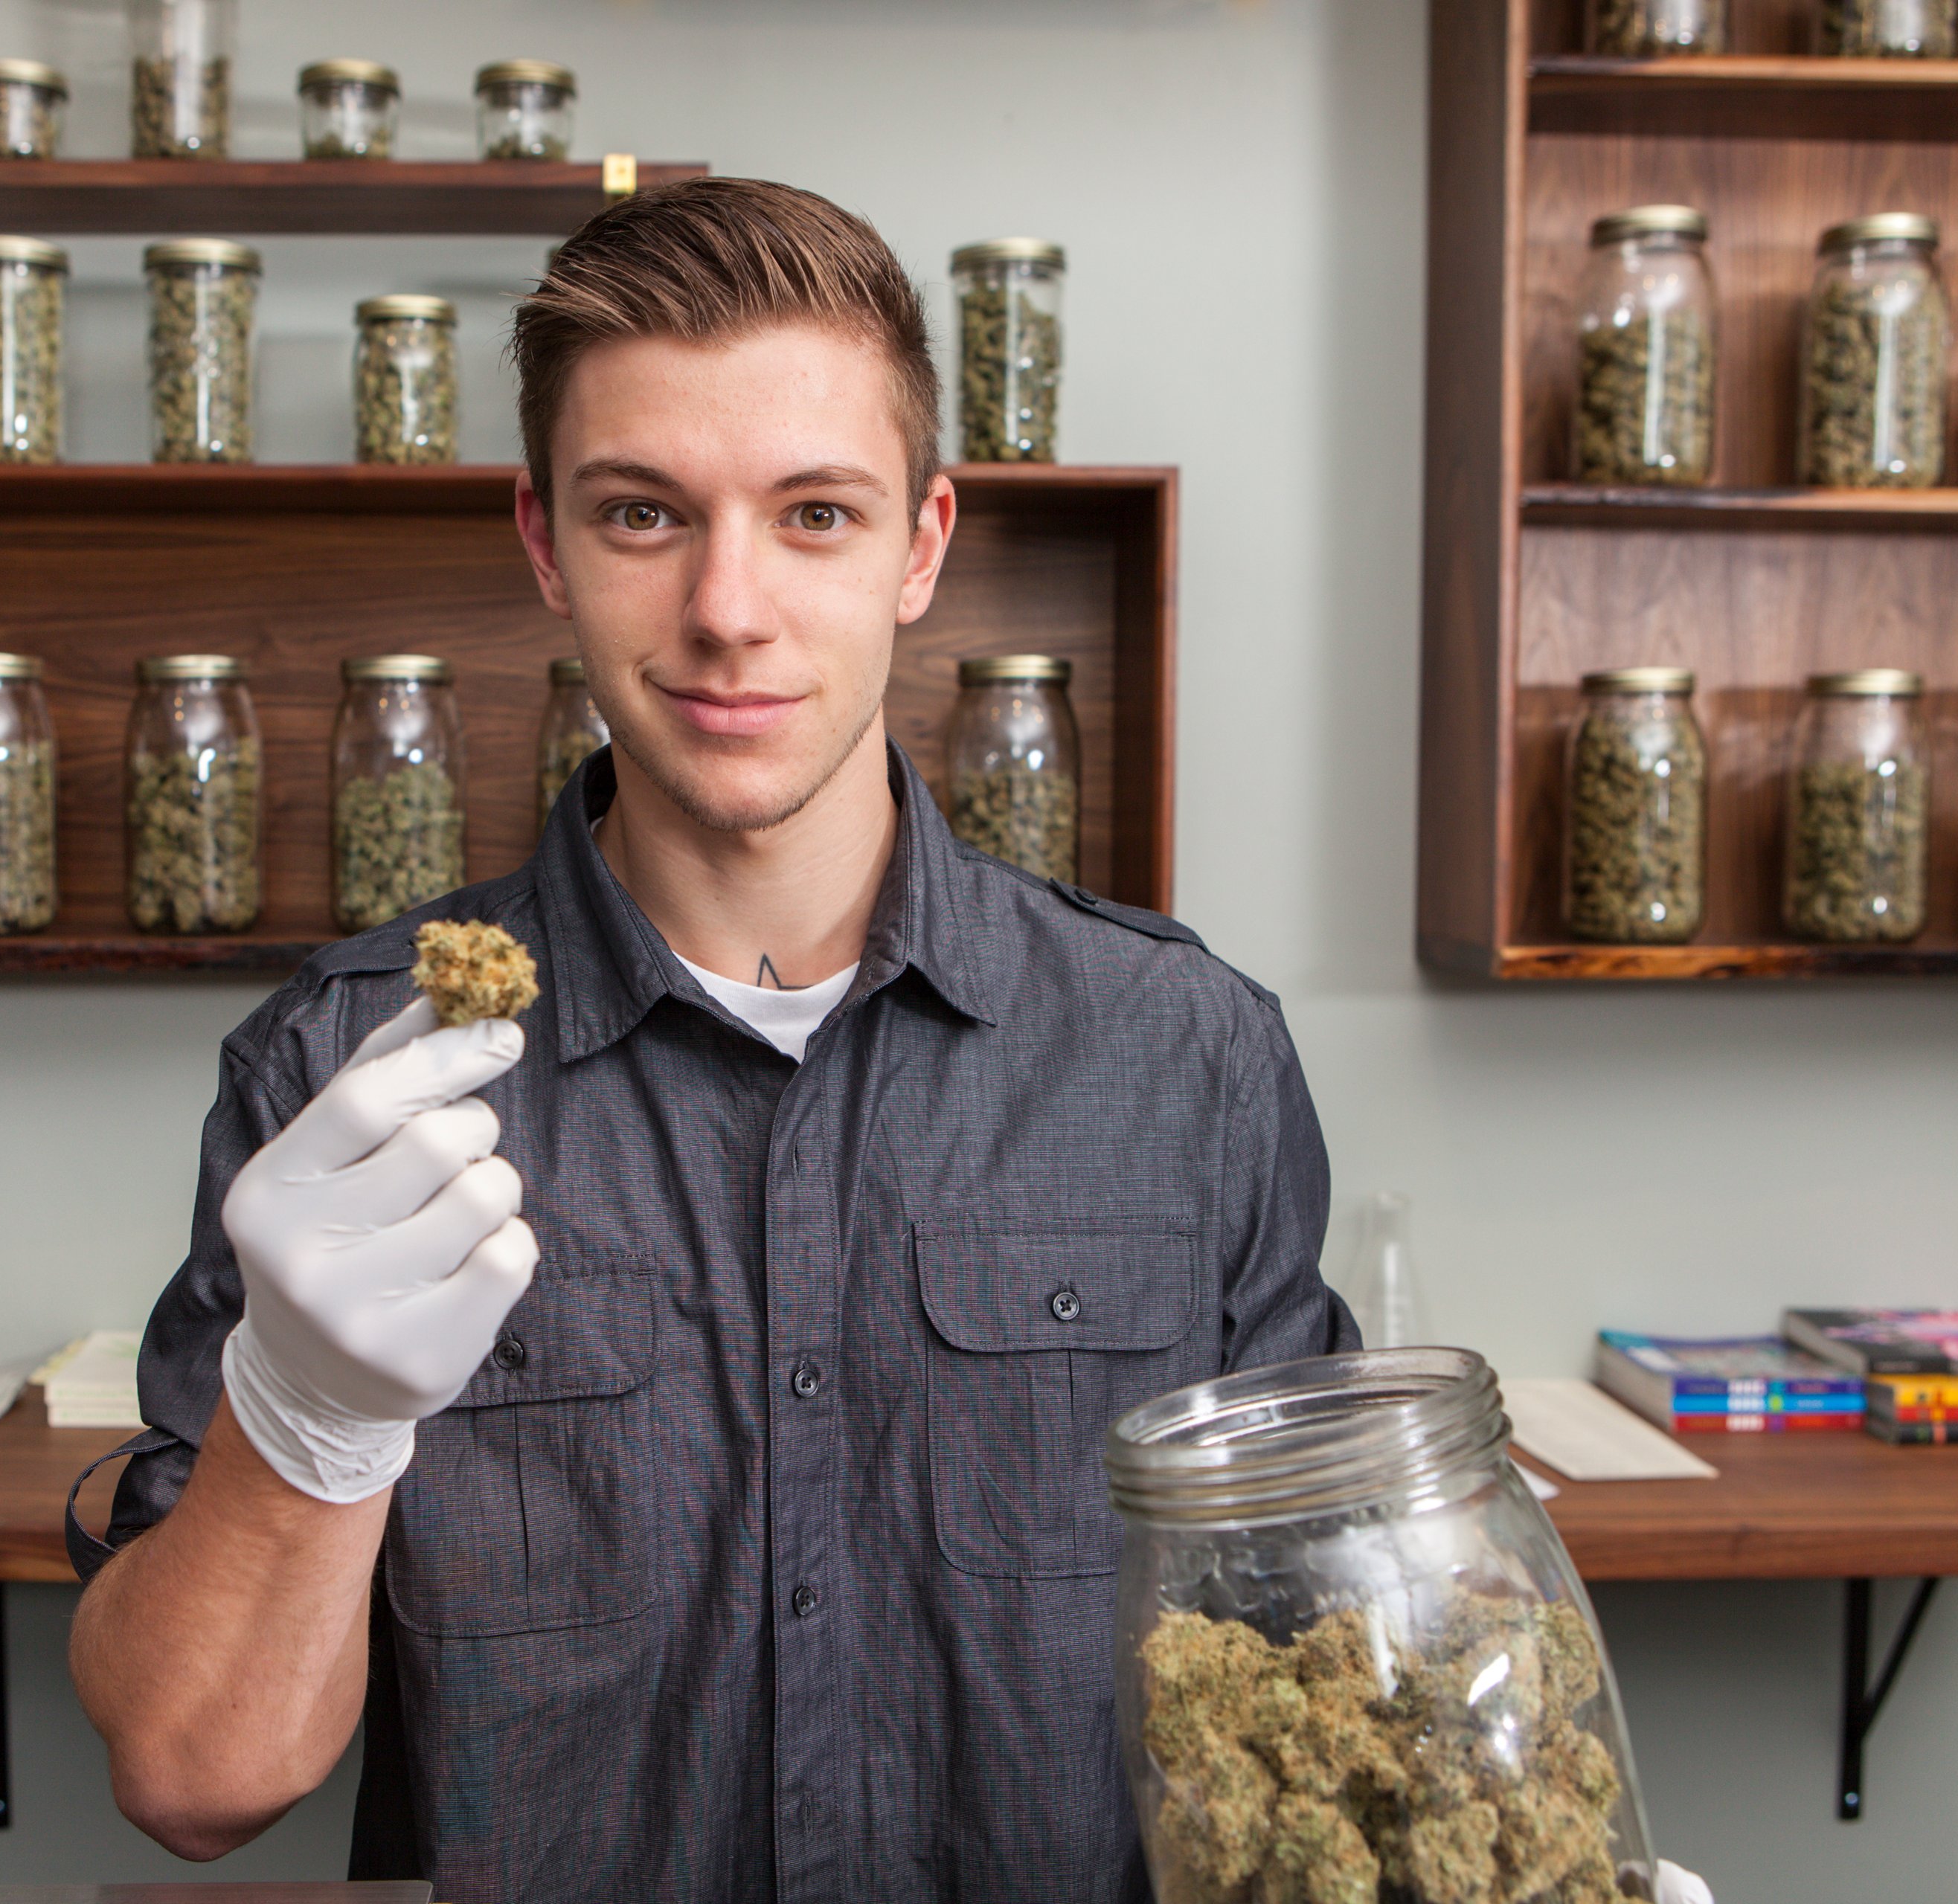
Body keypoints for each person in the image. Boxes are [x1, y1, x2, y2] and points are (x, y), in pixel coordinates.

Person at [65, 177, 1354, 1901]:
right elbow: (192, 1775)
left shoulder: (1185, 1054)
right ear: (545, 543)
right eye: (643, 513)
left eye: (814, 513)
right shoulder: (347, 1076)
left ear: (922, 544)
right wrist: (304, 1419)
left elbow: (1329, 1674)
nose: (729, 607)